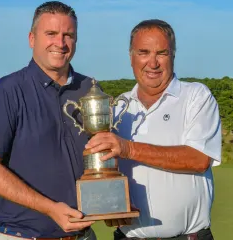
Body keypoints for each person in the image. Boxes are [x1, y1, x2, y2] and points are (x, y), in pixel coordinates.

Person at [0, 1, 97, 240]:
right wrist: (50, 209)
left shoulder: (89, 89)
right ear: (31, 39)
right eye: (51, 34)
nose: (60, 43)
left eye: (68, 35)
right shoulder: (6, 91)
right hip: (24, 236)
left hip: (83, 234)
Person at [86, 19, 222, 240]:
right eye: (143, 52)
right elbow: (111, 172)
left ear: (173, 56)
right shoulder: (119, 106)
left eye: (162, 53)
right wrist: (111, 205)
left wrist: (128, 148)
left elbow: (199, 159)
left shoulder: (196, 96)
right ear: (131, 57)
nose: (153, 62)